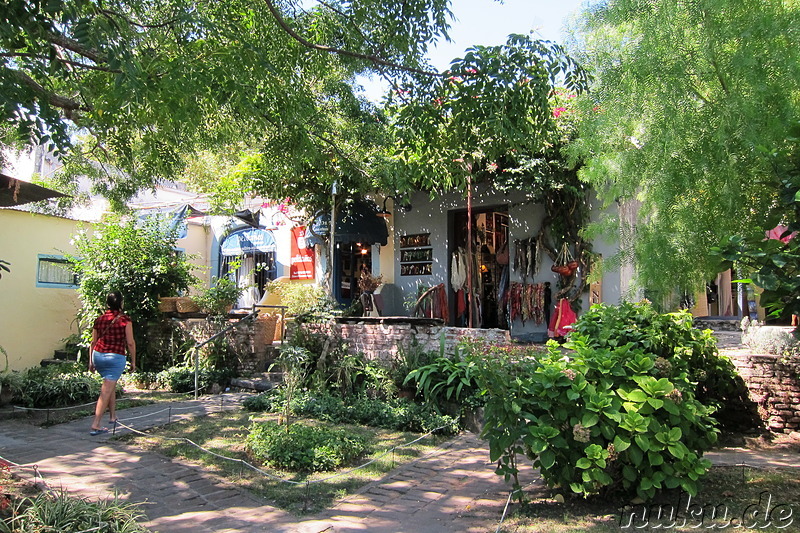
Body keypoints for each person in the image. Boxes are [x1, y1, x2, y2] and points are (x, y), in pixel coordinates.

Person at [88, 291, 136, 435]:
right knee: (106, 390)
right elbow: (130, 343)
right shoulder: (125, 320)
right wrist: (133, 361)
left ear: (107, 303)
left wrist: (90, 361)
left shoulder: (99, 319)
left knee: (110, 384)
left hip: (98, 354)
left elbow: (93, 342)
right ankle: (96, 425)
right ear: (121, 303)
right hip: (115, 357)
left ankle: (113, 416)